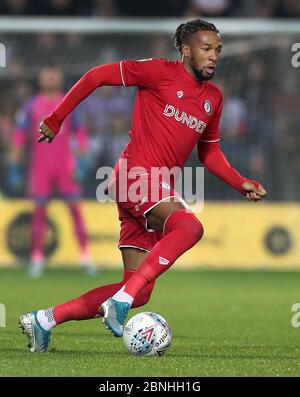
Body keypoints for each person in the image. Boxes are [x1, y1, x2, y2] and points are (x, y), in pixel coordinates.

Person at [19, 19, 267, 352]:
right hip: (135, 175)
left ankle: (44, 320)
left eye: (218, 50)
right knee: (189, 228)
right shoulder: (157, 72)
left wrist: (241, 183)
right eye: (206, 49)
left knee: (140, 289)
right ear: (185, 50)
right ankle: (119, 301)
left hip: (149, 189)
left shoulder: (214, 98)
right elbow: (96, 76)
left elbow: (210, 152)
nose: (214, 57)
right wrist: (56, 118)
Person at [9, 66, 96, 277]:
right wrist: (15, 165)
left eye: (53, 75)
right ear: (40, 79)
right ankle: (37, 258)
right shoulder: (31, 106)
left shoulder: (67, 102)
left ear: (58, 78)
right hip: (41, 167)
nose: (50, 79)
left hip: (65, 166)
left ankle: (85, 257)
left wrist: (82, 161)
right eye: (46, 75)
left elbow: (80, 133)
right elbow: (19, 136)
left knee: (75, 211)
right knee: (39, 212)